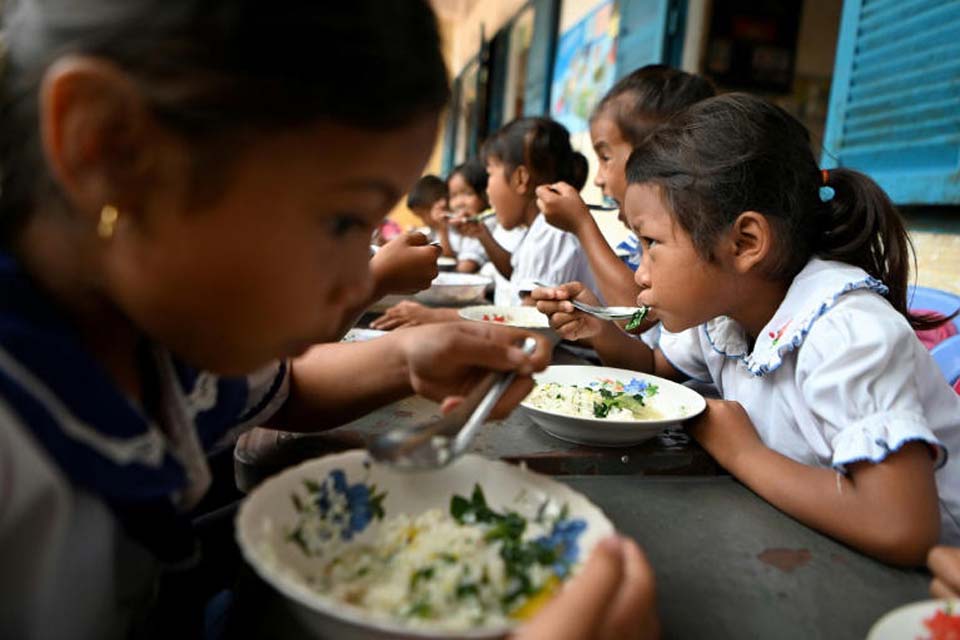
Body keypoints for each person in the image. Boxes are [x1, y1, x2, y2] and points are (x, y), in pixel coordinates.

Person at [0, 1, 656, 639]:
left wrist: (410, 356)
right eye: (344, 220)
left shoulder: (154, 338)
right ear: (108, 149)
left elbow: (284, 388)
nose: (356, 282)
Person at [534, 93, 960, 566]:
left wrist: (743, 453)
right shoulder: (726, 315)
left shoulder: (847, 334)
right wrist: (600, 329)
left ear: (745, 242)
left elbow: (901, 525)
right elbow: (653, 366)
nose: (641, 273)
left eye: (651, 243)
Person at [535, 65, 715, 309]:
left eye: (606, 158)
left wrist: (581, 225)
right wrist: (593, 326)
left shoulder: (689, 248)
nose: (598, 179)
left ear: (655, 156)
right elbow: (644, 344)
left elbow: (638, 316)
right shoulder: (636, 248)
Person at [371, 159, 527, 330]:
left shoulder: (498, 228)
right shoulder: (475, 228)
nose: (459, 202)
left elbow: (463, 268)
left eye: (466, 193)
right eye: (453, 196)